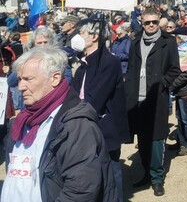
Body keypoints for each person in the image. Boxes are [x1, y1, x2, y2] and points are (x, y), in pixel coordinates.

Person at [1, 47, 117, 201]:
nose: (21, 86)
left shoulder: (76, 125)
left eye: (28, 79)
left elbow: (81, 189)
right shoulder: (23, 119)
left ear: (54, 78)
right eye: (20, 79)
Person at [70, 18, 129, 202]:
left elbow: (94, 100)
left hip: (105, 129)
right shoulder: (83, 63)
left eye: (82, 33)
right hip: (84, 126)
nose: (77, 37)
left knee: (111, 174)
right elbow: (73, 95)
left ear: (94, 36)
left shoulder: (109, 62)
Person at [125, 9, 181, 197]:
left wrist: (163, 84)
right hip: (137, 99)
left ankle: (157, 177)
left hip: (156, 98)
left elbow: (175, 69)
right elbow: (131, 69)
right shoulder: (135, 43)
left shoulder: (168, 42)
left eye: (154, 22)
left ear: (159, 23)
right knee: (142, 140)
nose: (151, 25)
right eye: (147, 22)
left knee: (157, 140)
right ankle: (146, 173)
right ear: (142, 23)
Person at [167, 27, 187, 157]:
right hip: (181, 89)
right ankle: (181, 141)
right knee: (180, 117)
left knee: (186, 118)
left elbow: (186, 74)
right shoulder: (182, 49)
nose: (174, 39)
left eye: (176, 36)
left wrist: (172, 85)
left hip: (186, 89)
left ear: (180, 38)